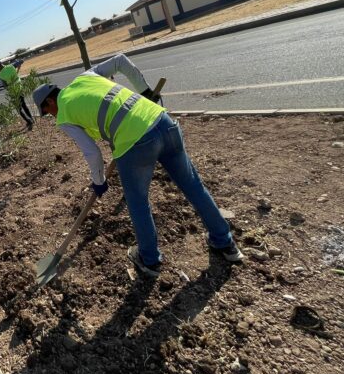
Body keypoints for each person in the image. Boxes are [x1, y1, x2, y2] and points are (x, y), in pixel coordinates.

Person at [32, 53, 243, 277]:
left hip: (134, 144)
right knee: (193, 185)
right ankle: (225, 243)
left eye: (47, 112)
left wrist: (99, 182)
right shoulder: (86, 77)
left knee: (138, 203)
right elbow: (120, 60)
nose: (51, 117)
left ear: (50, 102)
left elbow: (92, 153)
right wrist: (144, 91)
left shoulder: (64, 114)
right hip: (162, 122)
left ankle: (149, 260)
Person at [0, 59, 34, 130]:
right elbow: (22, 61)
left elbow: (5, 86)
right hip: (20, 88)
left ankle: (29, 121)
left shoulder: (1, 75)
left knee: (19, 109)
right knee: (24, 105)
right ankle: (31, 119)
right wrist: (18, 64)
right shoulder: (11, 66)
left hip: (13, 91)